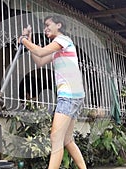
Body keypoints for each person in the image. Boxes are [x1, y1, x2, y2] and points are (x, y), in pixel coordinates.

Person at [18, 15, 87, 169]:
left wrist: (23, 40)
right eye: (44, 26)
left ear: (59, 25)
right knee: (67, 139)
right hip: (74, 94)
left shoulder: (63, 40)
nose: (45, 29)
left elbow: (41, 52)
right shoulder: (58, 49)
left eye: (48, 25)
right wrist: (28, 41)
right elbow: (40, 60)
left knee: (56, 138)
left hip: (69, 95)